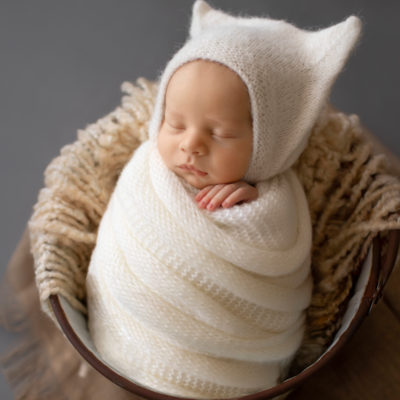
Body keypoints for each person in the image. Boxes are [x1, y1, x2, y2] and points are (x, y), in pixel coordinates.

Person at [86, 1, 361, 398]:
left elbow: (274, 256)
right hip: (131, 333)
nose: (190, 145)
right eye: (175, 123)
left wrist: (251, 209)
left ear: (270, 143)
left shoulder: (277, 198)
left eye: (220, 134)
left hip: (232, 363)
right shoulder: (145, 170)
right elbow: (121, 243)